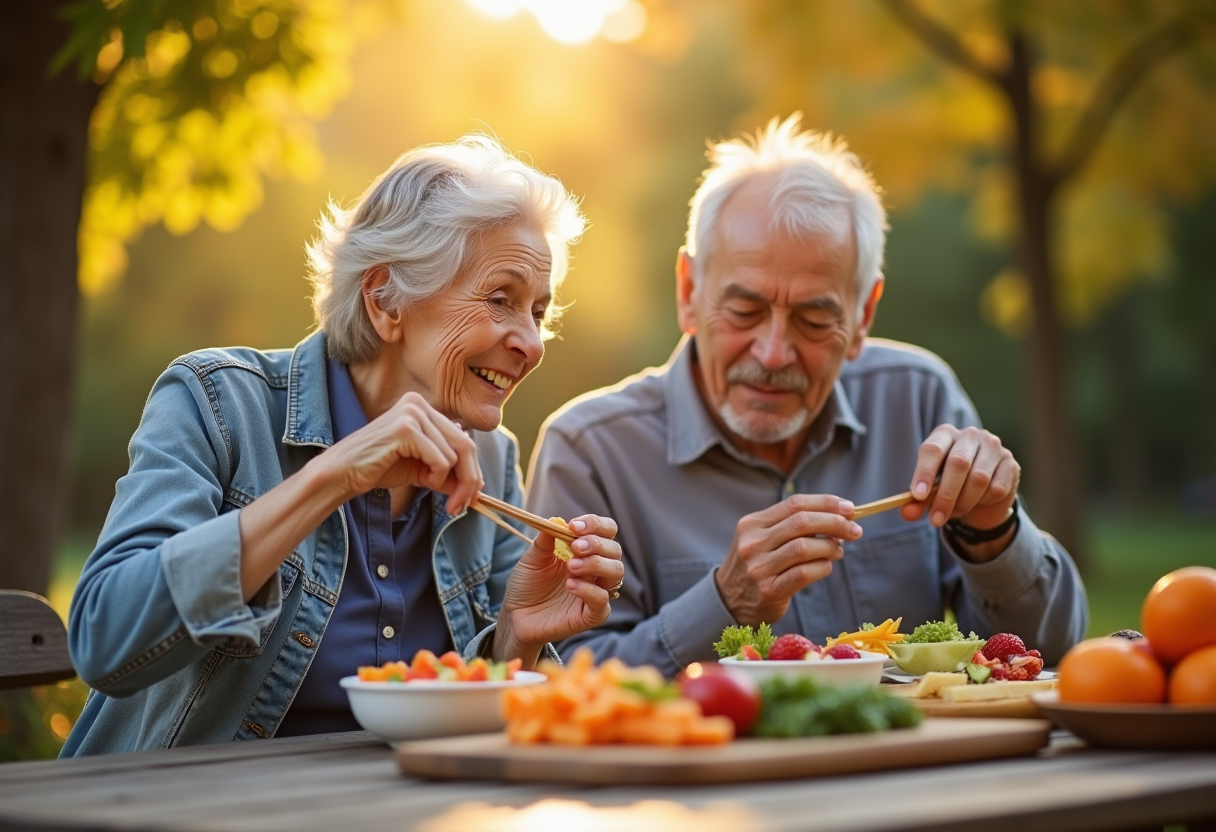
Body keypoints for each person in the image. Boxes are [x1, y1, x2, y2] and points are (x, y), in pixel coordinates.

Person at [63, 135, 624, 755]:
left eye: (538, 313)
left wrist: (515, 640)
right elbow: (103, 641)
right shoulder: (217, 402)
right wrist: (332, 477)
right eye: (500, 299)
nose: (532, 342)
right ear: (385, 300)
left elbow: (481, 727)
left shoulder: (490, 458)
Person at [526, 115, 1086, 678]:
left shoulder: (918, 399)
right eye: (744, 311)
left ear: (863, 313)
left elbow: (1050, 651)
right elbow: (562, 677)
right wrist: (724, 603)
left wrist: (994, 531)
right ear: (690, 290)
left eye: (815, 319)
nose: (773, 353)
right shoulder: (590, 451)